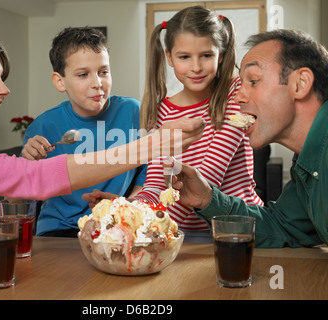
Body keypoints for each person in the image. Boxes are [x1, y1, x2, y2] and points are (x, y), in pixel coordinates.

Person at [0, 33, 204, 255]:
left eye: (2, 77)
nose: (5, 89)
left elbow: (12, 189)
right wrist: (153, 145)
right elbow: (32, 180)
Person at [84, 6, 262, 243]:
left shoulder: (236, 93)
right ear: (169, 57)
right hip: (181, 234)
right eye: (184, 57)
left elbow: (208, 178)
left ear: (221, 53)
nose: (196, 67)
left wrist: (145, 221)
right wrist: (128, 206)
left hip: (236, 229)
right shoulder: (162, 111)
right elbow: (156, 182)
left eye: (206, 55)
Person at [166, 29, 328, 248]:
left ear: (300, 84)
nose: (239, 96)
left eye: (253, 81)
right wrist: (207, 199)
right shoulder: (305, 164)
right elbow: (282, 227)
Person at [21, 27, 147, 237]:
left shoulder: (134, 112)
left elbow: (148, 173)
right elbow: (22, 200)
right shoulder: (43, 126)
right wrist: (27, 166)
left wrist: (127, 205)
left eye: (103, 72)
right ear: (60, 81)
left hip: (116, 226)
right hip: (59, 232)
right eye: (83, 75)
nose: (97, 84)